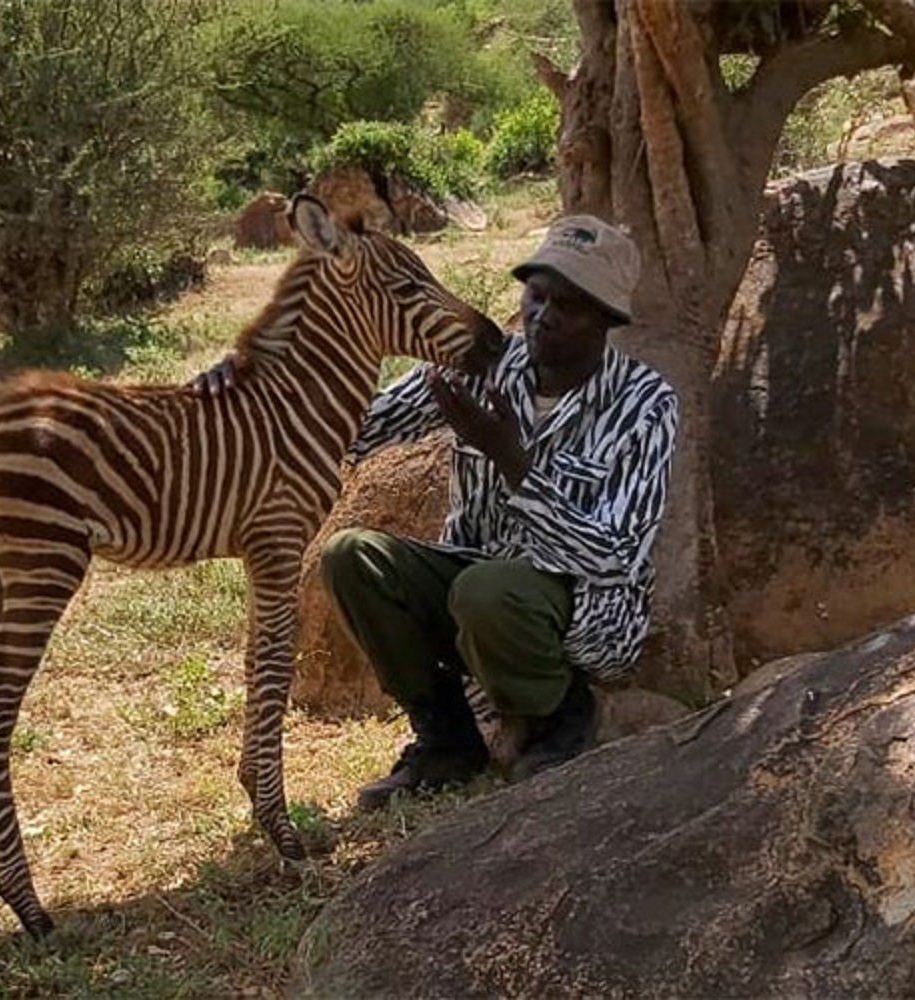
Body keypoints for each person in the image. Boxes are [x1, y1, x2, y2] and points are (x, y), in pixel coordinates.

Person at [192, 216, 678, 811]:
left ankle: (561, 720)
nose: (542, 315)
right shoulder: (488, 365)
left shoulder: (645, 405)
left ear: (608, 319)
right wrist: (244, 393)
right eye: (537, 294)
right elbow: (355, 429)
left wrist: (513, 461)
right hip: (474, 586)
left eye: (570, 306)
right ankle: (446, 738)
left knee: (487, 590)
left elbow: (613, 555)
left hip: (585, 612)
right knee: (352, 558)